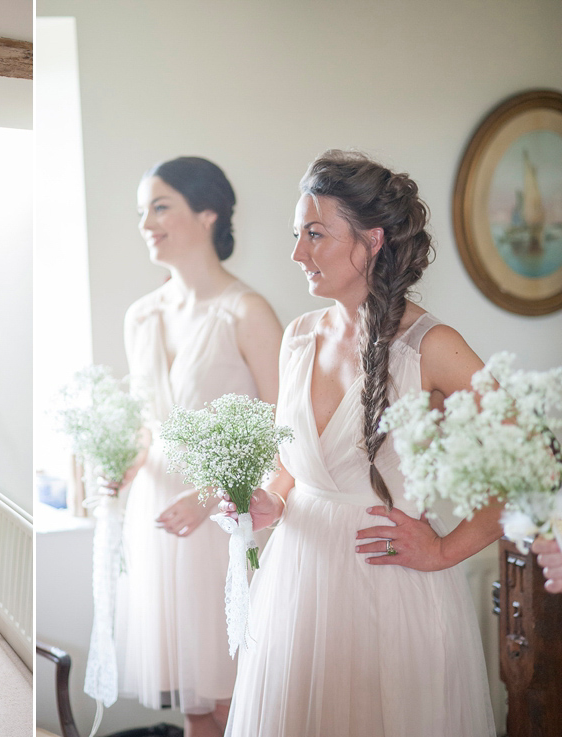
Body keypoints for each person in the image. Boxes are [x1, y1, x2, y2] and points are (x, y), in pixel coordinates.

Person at [223, 150, 500, 736]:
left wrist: (446, 550)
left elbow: (538, 468)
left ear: (372, 241)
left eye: (316, 234)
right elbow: (291, 466)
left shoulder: (433, 346)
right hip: (297, 585)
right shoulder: (298, 338)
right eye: (298, 234)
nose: (298, 253)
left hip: (391, 591)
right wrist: (269, 500)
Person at [112, 157, 282, 737]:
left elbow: (283, 434)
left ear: (207, 213)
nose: (146, 223)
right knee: (192, 699)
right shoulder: (141, 317)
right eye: (142, 211)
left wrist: (210, 496)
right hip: (160, 517)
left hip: (225, 521)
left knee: (236, 694)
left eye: (161, 207)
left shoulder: (247, 312)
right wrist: (123, 464)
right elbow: (144, 422)